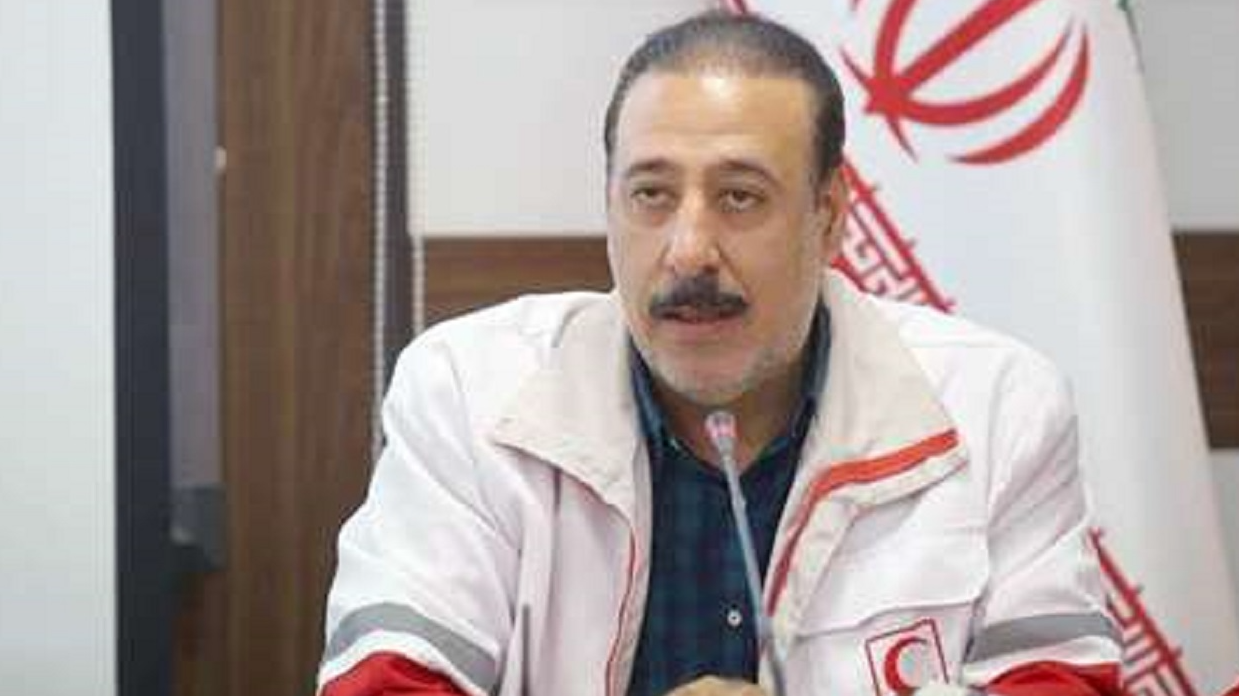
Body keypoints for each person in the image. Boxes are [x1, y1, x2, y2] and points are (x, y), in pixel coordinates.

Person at [317, 11, 1122, 696]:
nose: (688, 251)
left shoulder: (998, 408)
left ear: (828, 217)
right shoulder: (467, 393)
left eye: (740, 197)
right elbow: (383, 684)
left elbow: (1056, 682)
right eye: (651, 195)